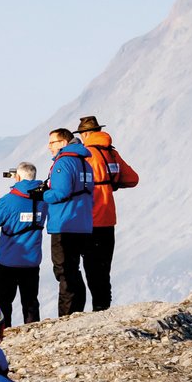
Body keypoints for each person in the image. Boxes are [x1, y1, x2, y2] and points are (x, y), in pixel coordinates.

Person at [74, 117, 139, 312]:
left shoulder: (86, 154)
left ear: (85, 134)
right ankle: (104, 305)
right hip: (109, 217)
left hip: (91, 217)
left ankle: (98, 307)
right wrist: (112, 184)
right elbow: (133, 179)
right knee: (104, 266)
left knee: (92, 267)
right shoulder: (111, 153)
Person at [41, 127, 98, 314]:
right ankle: (78, 310)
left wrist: (42, 195)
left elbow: (61, 193)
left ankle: (67, 314)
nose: (49, 146)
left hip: (64, 223)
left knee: (64, 270)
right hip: (83, 223)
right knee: (74, 269)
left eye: (52, 142)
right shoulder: (85, 163)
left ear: (63, 143)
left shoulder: (62, 163)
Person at [0, 164, 45, 325]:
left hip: (9, 260)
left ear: (17, 177)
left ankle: (4, 331)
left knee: (4, 301)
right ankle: (33, 328)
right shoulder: (43, 199)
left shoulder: (9, 199)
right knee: (30, 300)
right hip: (32, 260)